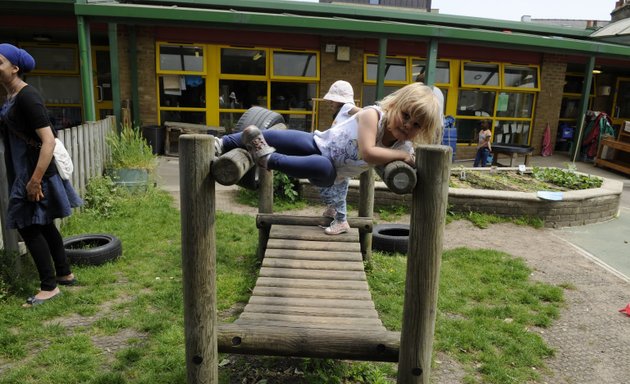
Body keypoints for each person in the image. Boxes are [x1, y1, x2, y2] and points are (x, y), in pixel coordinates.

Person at [217, 82, 443, 231]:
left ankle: (267, 160)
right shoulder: (373, 116)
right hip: (318, 141)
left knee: (323, 165)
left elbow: (412, 161)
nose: (407, 125)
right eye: (405, 115)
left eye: (416, 125)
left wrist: (407, 157)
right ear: (395, 106)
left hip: (329, 173)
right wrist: (402, 156)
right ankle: (224, 142)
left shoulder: (403, 145)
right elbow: (368, 152)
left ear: (421, 131)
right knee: (279, 136)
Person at [0, 43, 83, 307]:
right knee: (44, 224)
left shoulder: (27, 96)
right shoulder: (12, 97)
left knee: (28, 225)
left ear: (15, 68)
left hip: (33, 172)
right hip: (25, 169)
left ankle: (49, 287)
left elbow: (47, 140)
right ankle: (64, 274)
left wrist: (34, 180)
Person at [318, 80, 360, 234]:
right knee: (331, 186)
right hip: (339, 159)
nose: (330, 102)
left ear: (340, 99)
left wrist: (371, 116)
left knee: (336, 189)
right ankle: (332, 209)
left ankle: (342, 220)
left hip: (343, 161)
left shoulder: (347, 108)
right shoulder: (339, 113)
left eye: (333, 99)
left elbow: (362, 112)